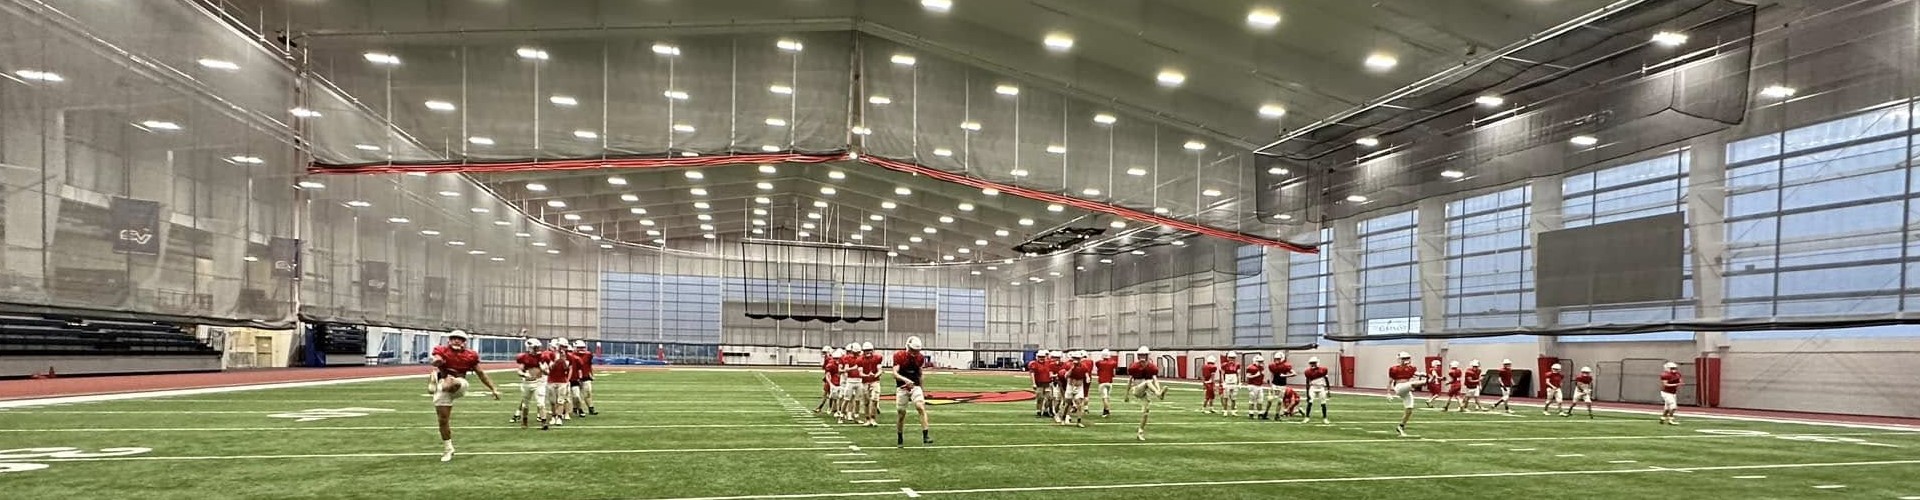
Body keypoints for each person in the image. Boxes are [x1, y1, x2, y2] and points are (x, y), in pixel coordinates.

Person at [430, 330, 498, 461]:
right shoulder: (442, 350)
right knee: (443, 420)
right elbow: (436, 359)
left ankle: (438, 382)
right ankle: (448, 448)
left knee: (453, 380)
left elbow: (481, 374)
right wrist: (436, 362)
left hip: (460, 384)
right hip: (444, 386)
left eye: (460, 339)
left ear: (464, 342)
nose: (456, 341)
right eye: (454, 338)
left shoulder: (470, 355)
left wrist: (493, 388)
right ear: (449, 340)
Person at [894, 336, 932, 447]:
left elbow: (920, 373)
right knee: (901, 414)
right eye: (913, 350)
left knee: (920, 406)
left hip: (915, 386)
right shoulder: (899, 356)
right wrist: (906, 380)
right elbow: (895, 374)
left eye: (916, 351)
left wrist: (921, 388)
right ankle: (900, 437)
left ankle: (926, 435)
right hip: (902, 387)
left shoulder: (920, 358)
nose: (915, 353)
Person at [1126, 346, 1165, 441]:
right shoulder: (1134, 367)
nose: (1142, 358)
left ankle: (1140, 432)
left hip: (1146, 392)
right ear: (1138, 356)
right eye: (1141, 355)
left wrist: (1159, 389)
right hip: (1137, 389)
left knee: (1145, 413)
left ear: (1147, 356)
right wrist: (1126, 394)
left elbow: (1155, 380)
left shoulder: (1152, 368)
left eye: (1144, 355)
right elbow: (1130, 380)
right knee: (1147, 382)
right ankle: (1158, 394)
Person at [511, 338, 546, 426]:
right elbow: (519, 371)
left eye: (537, 347)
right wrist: (524, 375)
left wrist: (543, 369)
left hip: (539, 382)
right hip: (527, 383)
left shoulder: (542, 357)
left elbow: (547, 372)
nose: (537, 349)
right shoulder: (524, 357)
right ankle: (524, 419)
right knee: (525, 404)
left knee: (541, 403)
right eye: (535, 347)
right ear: (529, 348)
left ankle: (544, 422)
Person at [1388, 352, 1422, 437]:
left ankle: (1401, 426)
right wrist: (1388, 393)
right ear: (1399, 359)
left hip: (1406, 390)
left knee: (1409, 410)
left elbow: (1417, 373)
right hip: (1399, 387)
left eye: (1407, 358)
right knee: (1412, 384)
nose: (1405, 360)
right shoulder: (1394, 369)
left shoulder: (1411, 368)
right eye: (1403, 358)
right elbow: (1390, 382)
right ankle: (1427, 382)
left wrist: (1425, 374)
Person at [542, 338, 572, 430]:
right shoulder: (550, 355)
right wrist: (556, 359)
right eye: (562, 346)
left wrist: (562, 359)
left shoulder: (568, 356)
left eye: (565, 347)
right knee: (552, 402)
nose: (563, 348)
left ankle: (559, 417)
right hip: (551, 380)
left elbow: (567, 368)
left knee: (560, 401)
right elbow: (550, 368)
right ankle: (553, 416)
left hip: (562, 381)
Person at [1060, 350, 1091, 427]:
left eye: (1077, 358)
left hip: (1079, 386)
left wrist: (1087, 378)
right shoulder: (1069, 365)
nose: (1076, 360)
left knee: (1079, 404)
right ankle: (1063, 418)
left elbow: (1086, 374)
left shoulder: (1083, 366)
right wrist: (1072, 368)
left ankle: (1079, 421)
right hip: (1070, 386)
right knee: (1068, 404)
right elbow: (1066, 376)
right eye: (1075, 358)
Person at [569, 339, 596, 417]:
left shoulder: (588, 355)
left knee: (588, 392)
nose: (581, 349)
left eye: (583, 347)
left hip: (585, 376)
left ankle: (591, 408)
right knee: (575, 395)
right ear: (575, 348)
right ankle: (576, 409)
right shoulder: (571, 355)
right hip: (574, 378)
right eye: (579, 347)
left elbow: (589, 365)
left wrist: (591, 374)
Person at [1301, 357, 1331, 424]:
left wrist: (1328, 390)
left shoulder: (1323, 370)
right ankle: (1307, 417)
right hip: (1313, 387)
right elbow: (1307, 383)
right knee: (1310, 402)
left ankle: (1325, 418)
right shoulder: (1308, 372)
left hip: (1321, 388)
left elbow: (1327, 380)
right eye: (1311, 363)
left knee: (1323, 403)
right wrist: (1307, 393)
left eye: (1314, 363)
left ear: (1317, 363)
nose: (1312, 364)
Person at [839, 343, 863, 425]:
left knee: (857, 400)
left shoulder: (861, 358)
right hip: (850, 380)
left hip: (859, 380)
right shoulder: (847, 358)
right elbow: (846, 369)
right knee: (846, 399)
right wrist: (854, 367)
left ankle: (856, 417)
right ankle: (841, 416)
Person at [860, 342, 883, 427]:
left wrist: (875, 375)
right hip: (865, 382)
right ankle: (867, 419)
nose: (868, 352)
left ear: (872, 350)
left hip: (875, 381)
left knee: (874, 399)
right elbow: (860, 373)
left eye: (869, 350)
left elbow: (880, 370)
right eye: (866, 350)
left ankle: (873, 419)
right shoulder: (860, 360)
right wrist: (867, 375)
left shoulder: (877, 358)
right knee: (866, 402)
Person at [1029, 349, 1054, 418]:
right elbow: (1032, 374)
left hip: (1047, 383)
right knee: (1040, 398)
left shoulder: (1048, 363)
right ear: (1037, 357)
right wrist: (1033, 383)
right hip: (1039, 383)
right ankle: (1039, 411)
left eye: (1043, 357)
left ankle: (1046, 410)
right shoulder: (1034, 364)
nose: (1041, 358)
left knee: (1050, 398)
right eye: (1040, 356)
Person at [1094, 349, 1119, 418]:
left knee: (1104, 398)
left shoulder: (1099, 362)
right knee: (1107, 397)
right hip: (1110, 382)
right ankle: (1105, 411)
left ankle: (1107, 410)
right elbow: (1114, 374)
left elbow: (1098, 366)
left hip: (1102, 382)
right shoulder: (1113, 363)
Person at [1244, 354, 1269, 420]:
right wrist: (1255, 375)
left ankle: (1260, 414)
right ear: (1255, 361)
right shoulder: (1251, 367)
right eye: (1259, 361)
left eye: (1261, 361)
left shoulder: (1261, 368)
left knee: (1260, 401)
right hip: (1253, 386)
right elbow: (1248, 376)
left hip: (1259, 386)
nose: (1261, 363)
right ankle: (1251, 414)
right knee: (1252, 400)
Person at [814, 346, 835, 414]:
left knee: (828, 394)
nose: (824, 354)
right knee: (828, 394)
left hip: (830, 378)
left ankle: (825, 407)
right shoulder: (830, 358)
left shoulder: (829, 359)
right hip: (829, 377)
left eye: (825, 352)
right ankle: (826, 407)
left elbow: (824, 367)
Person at [1219, 352, 1241, 417]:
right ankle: (1225, 411)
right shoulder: (1224, 365)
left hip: (1234, 383)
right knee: (1225, 398)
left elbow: (1239, 374)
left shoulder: (1237, 365)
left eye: (1233, 358)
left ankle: (1233, 411)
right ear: (1228, 358)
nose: (1232, 359)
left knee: (1234, 398)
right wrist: (1223, 382)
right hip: (1227, 383)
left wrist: (1239, 382)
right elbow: (1222, 374)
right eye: (1230, 358)